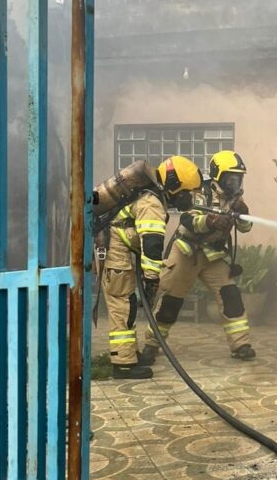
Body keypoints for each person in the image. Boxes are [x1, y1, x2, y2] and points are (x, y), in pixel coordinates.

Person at [140, 150, 257, 363]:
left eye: (237, 178)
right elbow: (187, 219)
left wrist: (244, 212)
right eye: (230, 178)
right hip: (186, 252)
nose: (234, 183)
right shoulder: (198, 190)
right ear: (218, 175)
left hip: (213, 256)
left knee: (231, 296)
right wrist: (209, 222)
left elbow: (246, 228)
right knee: (169, 303)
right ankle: (151, 344)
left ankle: (241, 344)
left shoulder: (235, 199)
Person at [101, 155, 202, 379]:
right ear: (175, 186)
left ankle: (126, 355)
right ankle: (123, 364)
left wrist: (149, 278)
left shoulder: (151, 198)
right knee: (123, 308)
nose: (189, 199)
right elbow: (152, 245)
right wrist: (152, 279)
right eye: (188, 192)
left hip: (121, 259)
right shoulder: (152, 204)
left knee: (125, 307)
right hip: (119, 261)